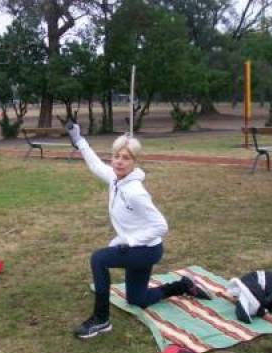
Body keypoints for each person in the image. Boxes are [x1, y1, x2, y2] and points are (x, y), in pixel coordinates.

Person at [65, 122, 211, 340]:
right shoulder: (116, 179)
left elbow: (161, 225)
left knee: (99, 259)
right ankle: (182, 286)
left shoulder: (135, 192)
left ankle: (101, 319)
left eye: (126, 158)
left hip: (147, 250)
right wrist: (79, 141)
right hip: (138, 249)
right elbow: (96, 165)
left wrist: (129, 240)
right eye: (116, 156)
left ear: (135, 162)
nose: (119, 161)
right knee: (137, 299)